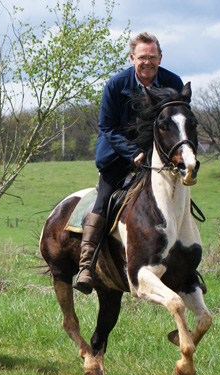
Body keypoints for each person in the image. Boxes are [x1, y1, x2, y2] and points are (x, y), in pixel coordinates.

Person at [73, 32, 184, 294]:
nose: (147, 62)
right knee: (104, 199)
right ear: (132, 58)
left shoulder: (173, 82)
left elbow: (176, 121)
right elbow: (107, 127)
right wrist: (132, 152)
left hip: (158, 157)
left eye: (152, 57)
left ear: (160, 58)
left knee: (179, 199)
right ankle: (86, 264)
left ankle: (185, 262)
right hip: (118, 156)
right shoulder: (115, 85)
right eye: (142, 57)